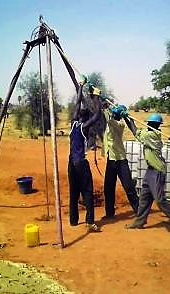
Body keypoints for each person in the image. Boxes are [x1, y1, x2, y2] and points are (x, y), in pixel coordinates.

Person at [123, 113, 170, 233]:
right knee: (145, 197)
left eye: (151, 123)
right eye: (149, 123)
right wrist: (127, 118)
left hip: (157, 170)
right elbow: (137, 131)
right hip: (150, 170)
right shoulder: (150, 133)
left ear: (155, 125)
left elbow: (135, 132)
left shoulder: (152, 135)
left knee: (160, 200)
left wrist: (127, 118)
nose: (148, 125)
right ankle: (140, 221)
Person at [68, 78, 101, 232]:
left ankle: (74, 220)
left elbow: (78, 102)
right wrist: (96, 97)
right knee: (87, 191)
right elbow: (97, 116)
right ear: (85, 118)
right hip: (81, 162)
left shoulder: (73, 123)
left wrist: (80, 86)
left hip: (71, 163)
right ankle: (89, 222)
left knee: (74, 191)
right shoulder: (84, 127)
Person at [101, 103, 139, 219]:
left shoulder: (117, 123)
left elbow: (105, 115)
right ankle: (109, 213)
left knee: (129, 187)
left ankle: (139, 211)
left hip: (121, 160)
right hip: (111, 159)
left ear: (116, 115)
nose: (112, 114)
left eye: (114, 113)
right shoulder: (112, 123)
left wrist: (105, 107)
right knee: (108, 188)